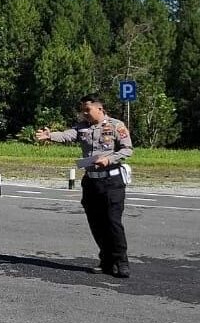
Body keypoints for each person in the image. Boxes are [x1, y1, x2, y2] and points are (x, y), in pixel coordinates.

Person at [36, 94, 134, 278]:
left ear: (100, 108)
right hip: (91, 182)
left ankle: (121, 261)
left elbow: (127, 150)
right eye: (83, 110)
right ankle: (106, 261)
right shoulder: (82, 127)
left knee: (112, 222)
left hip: (111, 181)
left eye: (87, 110)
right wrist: (50, 136)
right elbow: (67, 135)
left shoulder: (116, 125)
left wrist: (109, 159)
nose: (85, 113)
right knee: (96, 223)